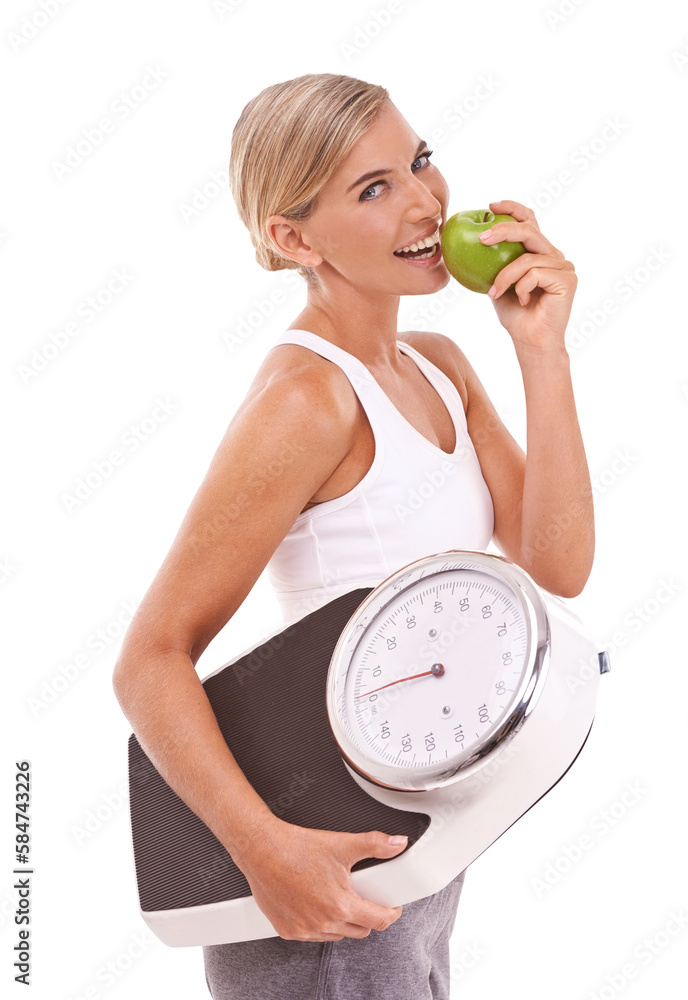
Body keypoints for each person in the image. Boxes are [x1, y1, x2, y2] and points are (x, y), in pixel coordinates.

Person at [112, 73, 594, 999]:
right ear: (293, 238)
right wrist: (267, 854)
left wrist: (542, 350)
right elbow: (151, 658)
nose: (425, 201)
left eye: (418, 161)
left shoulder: (439, 366)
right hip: (323, 869)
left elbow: (559, 564)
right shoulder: (309, 400)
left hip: (424, 843)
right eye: (373, 190)